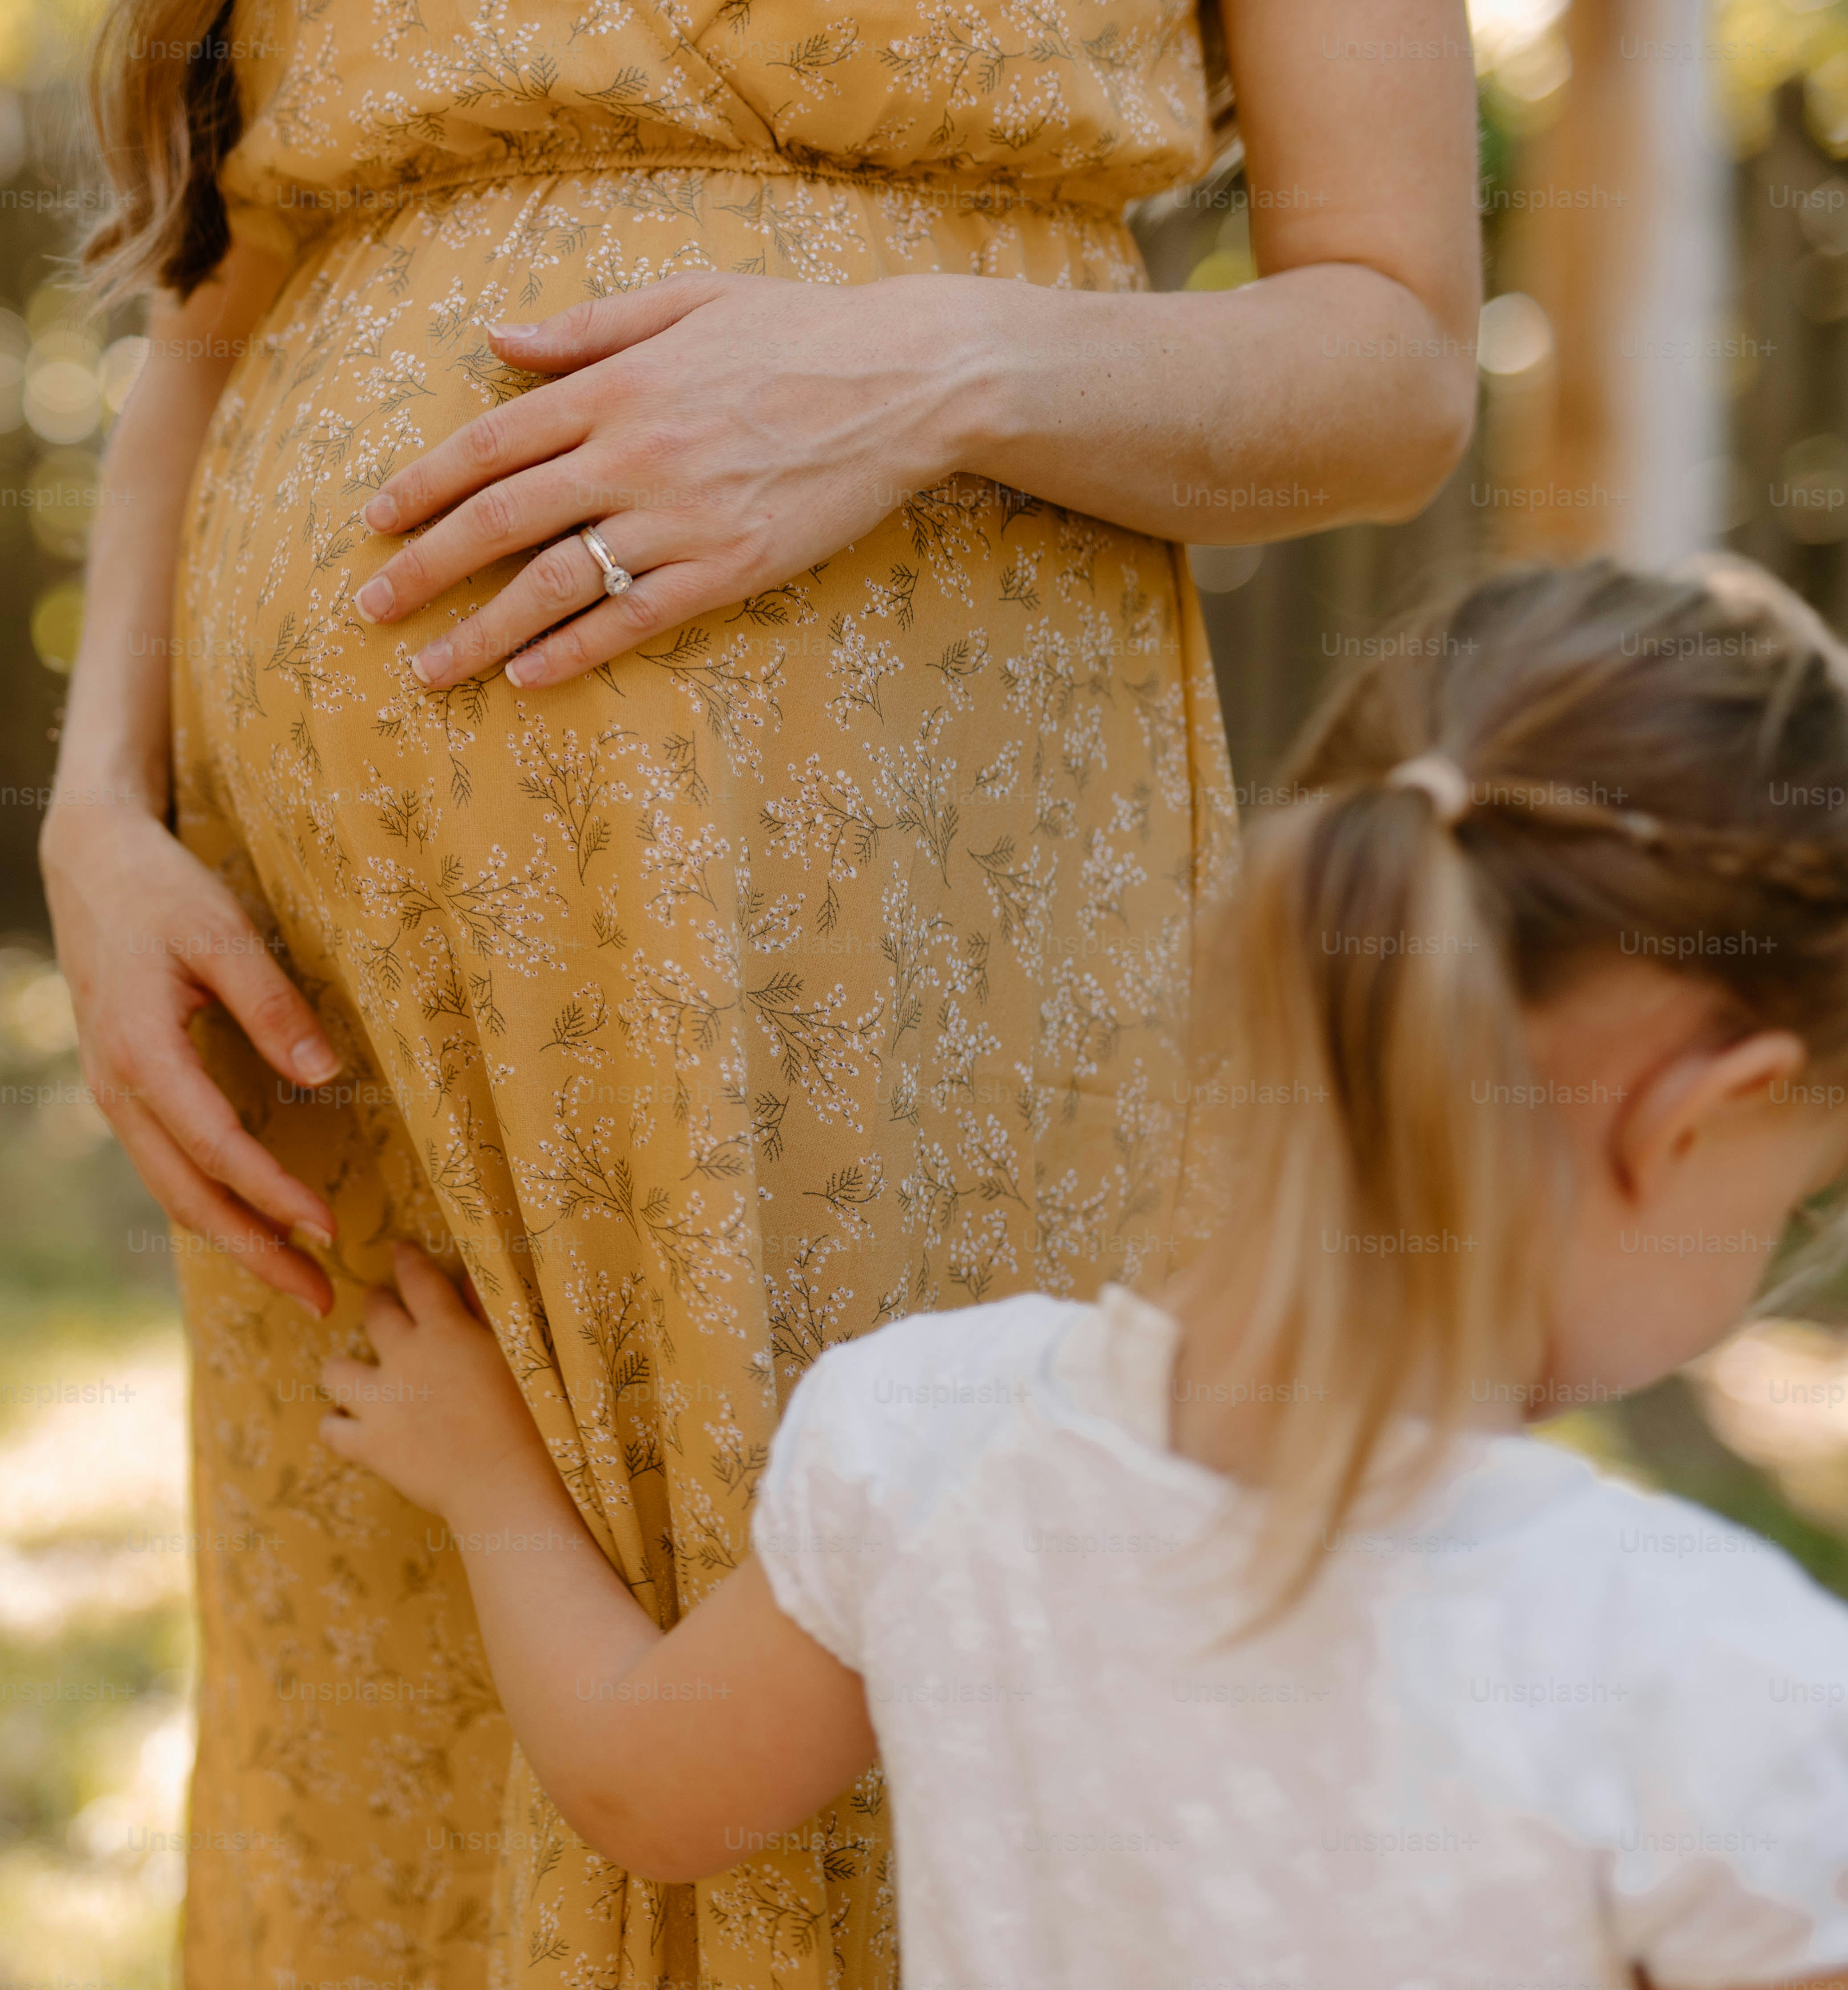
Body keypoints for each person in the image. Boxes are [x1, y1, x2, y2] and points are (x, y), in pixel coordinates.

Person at [43, 0, 1478, 1978]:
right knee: (396, 1758)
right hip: (338, 1029)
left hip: (917, 933)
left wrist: (926, 369)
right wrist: (99, 808)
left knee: (864, 1706)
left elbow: (1394, 362)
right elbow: (219, 307)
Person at [316, 558, 1848, 1988]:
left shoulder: (927, 1434)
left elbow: (650, 1797)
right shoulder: (1717, 1686)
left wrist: (491, 1485)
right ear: (1691, 1121)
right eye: (1795, 1195)